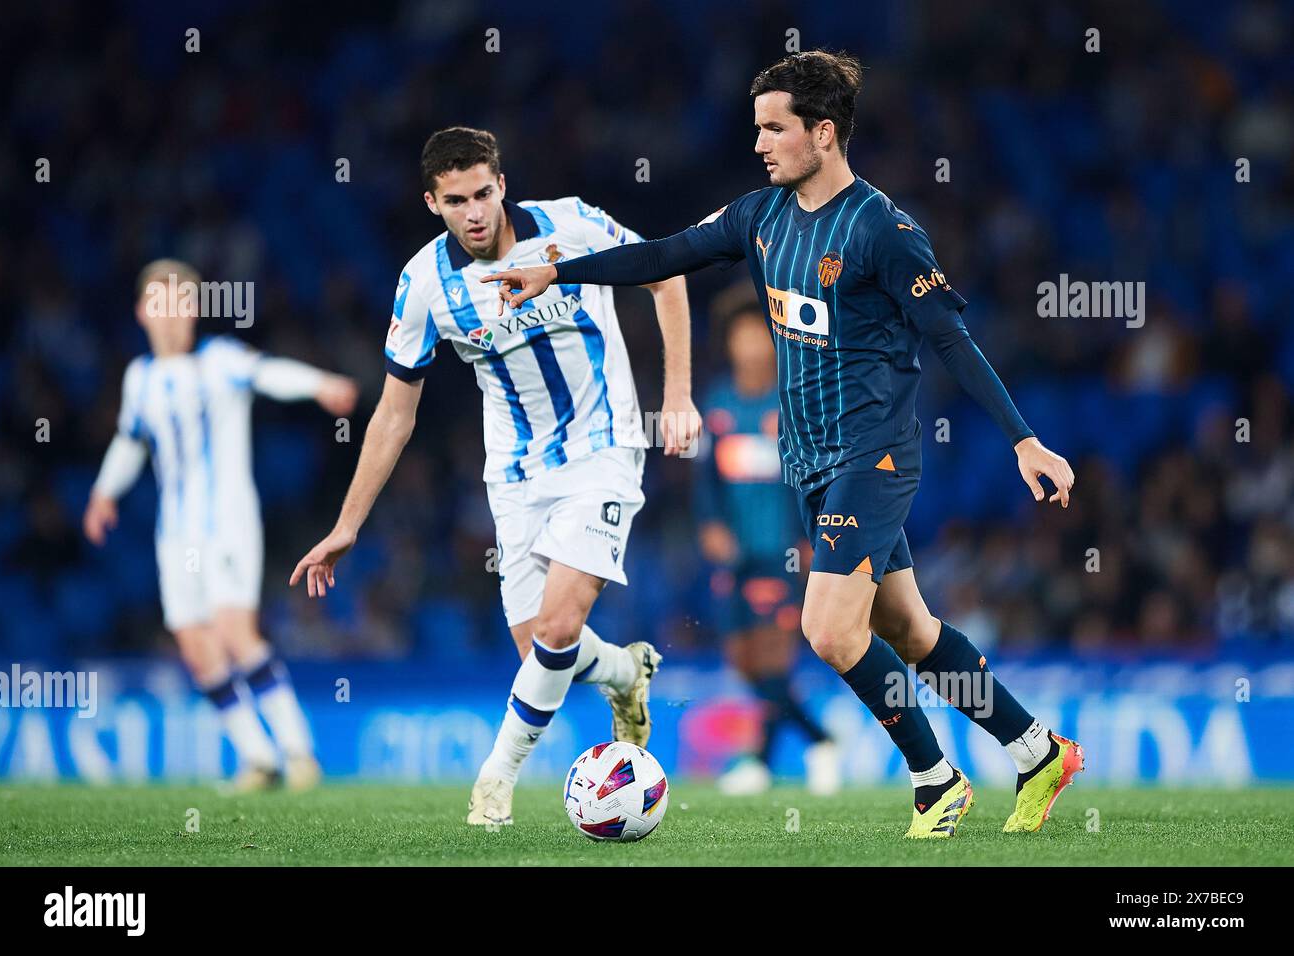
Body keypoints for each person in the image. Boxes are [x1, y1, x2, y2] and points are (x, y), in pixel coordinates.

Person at [483, 52, 1085, 838]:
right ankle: (1038, 750)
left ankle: (936, 781)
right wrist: (557, 271)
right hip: (808, 463)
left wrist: (1024, 440)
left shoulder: (884, 230)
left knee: (830, 630)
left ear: (824, 133)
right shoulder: (760, 217)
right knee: (910, 631)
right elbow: (664, 254)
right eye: (757, 127)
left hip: (872, 457)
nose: (761, 143)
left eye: (776, 128)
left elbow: (952, 339)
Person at [289, 127, 701, 826]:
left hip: (603, 447)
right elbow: (394, 413)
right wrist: (346, 524)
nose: (475, 211)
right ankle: (626, 674)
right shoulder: (425, 284)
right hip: (513, 476)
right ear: (432, 202)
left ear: (502, 184)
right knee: (543, 649)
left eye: (484, 192)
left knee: (560, 624)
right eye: (457, 200)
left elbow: (665, 273)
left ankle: (493, 784)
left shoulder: (570, 225)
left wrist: (680, 394)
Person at [84, 258, 357, 791]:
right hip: (175, 534)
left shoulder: (220, 360)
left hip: (228, 525)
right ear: (143, 312)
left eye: (184, 304)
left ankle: (300, 753)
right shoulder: (139, 378)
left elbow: (269, 372)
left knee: (235, 633)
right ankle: (259, 759)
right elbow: (129, 438)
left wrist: (320, 383)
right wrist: (103, 492)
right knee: (194, 645)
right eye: (162, 304)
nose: (173, 316)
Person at [697, 296, 839, 796]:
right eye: (742, 336)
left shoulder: (792, 402)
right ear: (731, 344)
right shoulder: (718, 403)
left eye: (759, 335)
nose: (751, 345)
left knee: (775, 657)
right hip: (735, 556)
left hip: (782, 553)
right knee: (744, 659)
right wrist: (710, 525)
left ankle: (760, 761)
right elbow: (706, 481)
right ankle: (820, 739)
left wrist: (809, 537)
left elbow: (814, 478)